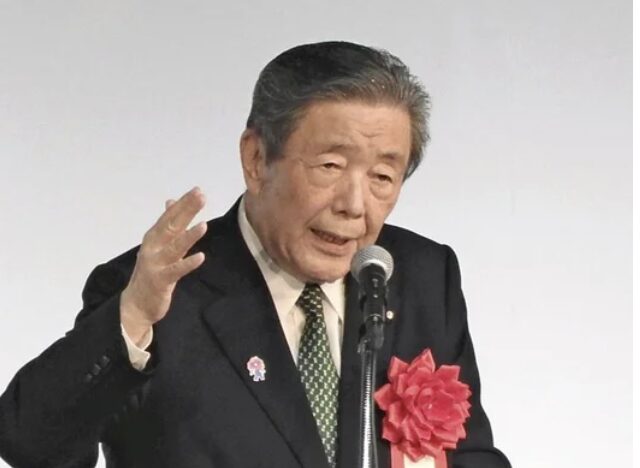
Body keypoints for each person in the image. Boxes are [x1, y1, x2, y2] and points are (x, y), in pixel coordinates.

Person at [0, 41, 511, 468]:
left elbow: (469, 456)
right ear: (256, 158)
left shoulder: (421, 277)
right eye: (330, 166)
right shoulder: (158, 291)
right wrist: (131, 318)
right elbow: (32, 447)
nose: (355, 206)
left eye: (382, 176)